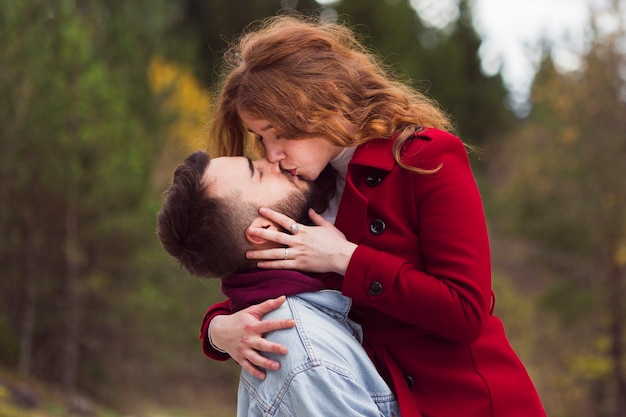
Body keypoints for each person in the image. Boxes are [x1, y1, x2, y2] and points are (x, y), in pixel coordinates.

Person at [200, 13, 547, 417]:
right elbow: (267, 288)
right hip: (368, 395)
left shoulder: (426, 157)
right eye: (262, 137)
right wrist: (217, 331)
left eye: (280, 131)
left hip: (463, 401)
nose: (271, 153)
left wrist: (345, 258)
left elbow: (467, 310)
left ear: (324, 97)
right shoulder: (306, 188)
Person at [156, 151, 400, 417]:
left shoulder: (301, 301)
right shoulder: (301, 352)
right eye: (257, 172)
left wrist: (215, 328)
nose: (273, 160)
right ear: (265, 230)